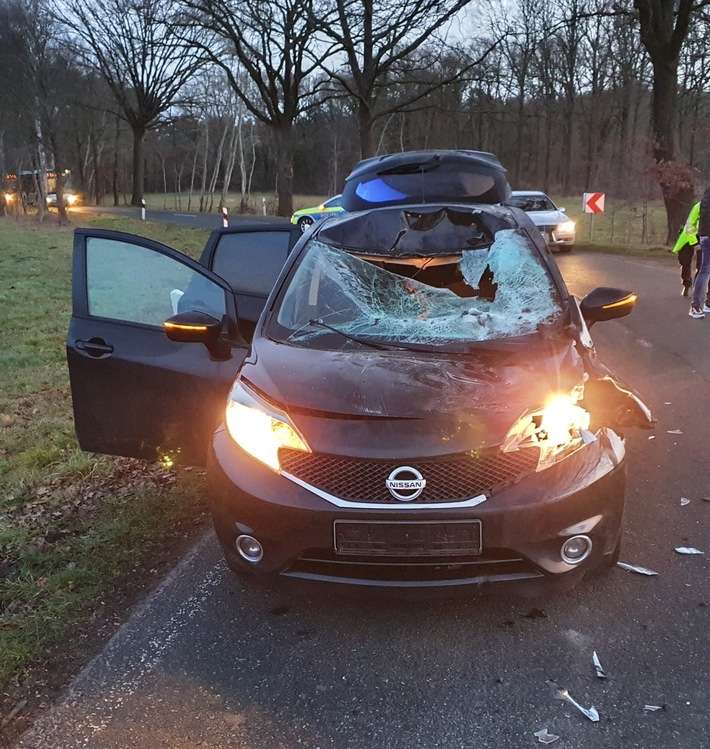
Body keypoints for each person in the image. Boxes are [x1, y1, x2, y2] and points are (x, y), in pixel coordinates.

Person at [690, 186, 710, 318]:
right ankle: (697, 305)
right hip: (706, 236)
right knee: (705, 269)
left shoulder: (706, 196)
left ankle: (703, 304)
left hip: (705, 235)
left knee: (705, 269)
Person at [673, 201, 700, 296]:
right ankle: (686, 283)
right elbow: (689, 226)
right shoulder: (698, 207)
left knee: (701, 265)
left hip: (704, 237)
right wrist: (695, 243)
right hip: (688, 237)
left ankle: (698, 288)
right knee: (684, 261)